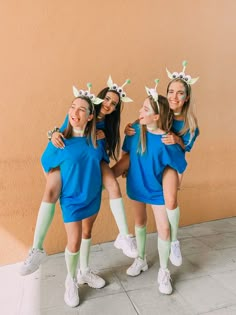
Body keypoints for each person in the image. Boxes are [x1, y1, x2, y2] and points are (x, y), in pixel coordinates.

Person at [20, 77, 138, 288]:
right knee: (50, 192)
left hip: (92, 163)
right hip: (69, 161)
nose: (108, 105)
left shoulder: (107, 128)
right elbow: (64, 128)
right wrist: (53, 133)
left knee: (111, 186)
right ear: (98, 100)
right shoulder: (80, 111)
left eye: (113, 104)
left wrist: (132, 129)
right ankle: (38, 250)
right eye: (107, 100)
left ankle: (122, 237)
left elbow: (108, 154)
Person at [26, 84, 109, 307]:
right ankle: (70, 280)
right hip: (71, 200)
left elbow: (102, 164)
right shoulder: (59, 141)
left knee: (88, 232)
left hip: (92, 196)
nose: (75, 112)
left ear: (91, 116)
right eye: (73, 107)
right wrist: (59, 186)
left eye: (82, 109)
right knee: (73, 241)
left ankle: (84, 272)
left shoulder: (97, 140)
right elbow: (46, 166)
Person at [112, 80, 187, 294]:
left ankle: (164, 271)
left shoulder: (166, 140)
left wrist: (176, 184)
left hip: (157, 191)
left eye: (145, 109)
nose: (139, 111)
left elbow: (180, 164)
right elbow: (126, 154)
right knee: (140, 222)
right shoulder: (135, 130)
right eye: (141, 107)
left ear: (156, 116)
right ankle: (141, 259)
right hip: (136, 186)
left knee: (164, 228)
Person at [124, 61, 199, 267]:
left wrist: (178, 140)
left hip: (171, 165)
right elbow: (147, 118)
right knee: (140, 215)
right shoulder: (161, 108)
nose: (174, 96)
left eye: (180, 93)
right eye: (171, 91)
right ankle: (141, 257)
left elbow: (183, 155)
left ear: (187, 97)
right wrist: (129, 128)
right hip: (152, 161)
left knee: (171, 200)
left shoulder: (190, 126)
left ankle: (173, 240)